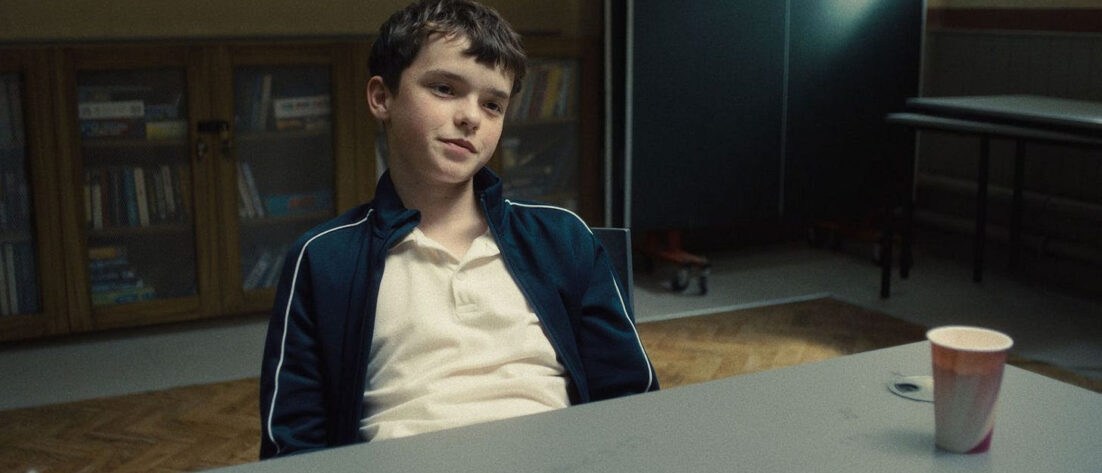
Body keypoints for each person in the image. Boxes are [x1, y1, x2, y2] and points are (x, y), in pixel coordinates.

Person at [259, 0, 658, 459]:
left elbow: (632, 397)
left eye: (492, 104)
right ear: (382, 98)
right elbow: (292, 443)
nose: (471, 117)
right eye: (445, 89)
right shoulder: (322, 258)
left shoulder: (562, 237)